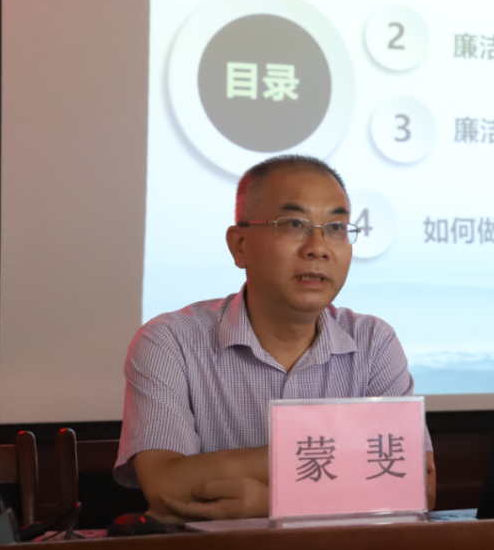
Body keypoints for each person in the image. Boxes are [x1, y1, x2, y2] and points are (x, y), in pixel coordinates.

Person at [114, 155, 435, 522]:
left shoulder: (373, 342)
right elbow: (166, 486)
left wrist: (274, 502)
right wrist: (352, 458)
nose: (318, 247)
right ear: (239, 245)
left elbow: (419, 490)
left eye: (336, 227)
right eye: (294, 224)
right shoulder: (170, 341)